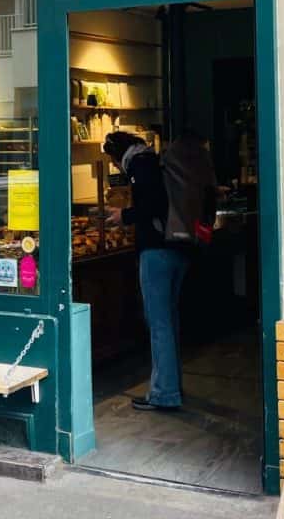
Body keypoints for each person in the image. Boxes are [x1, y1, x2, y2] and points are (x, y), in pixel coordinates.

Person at [104, 129, 216, 412]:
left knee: (159, 322)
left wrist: (123, 216)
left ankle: (164, 393)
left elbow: (151, 206)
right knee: (169, 320)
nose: (116, 167)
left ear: (119, 155)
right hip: (179, 249)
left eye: (114, 162)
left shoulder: (140, 166)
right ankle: (171, 385)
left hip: (156, 252)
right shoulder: (156, 161)